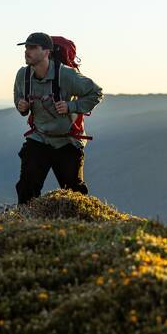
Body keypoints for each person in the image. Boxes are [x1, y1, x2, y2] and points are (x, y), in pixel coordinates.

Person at [13, 32, 103, 205]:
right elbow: (18, 96)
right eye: (26, 47)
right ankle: (25, 226)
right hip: (39, 138)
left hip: (67, 141)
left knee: (74, 194)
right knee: (26, 188)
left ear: (47, 52)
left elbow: (96, 92)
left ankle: (79, 227)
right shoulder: (22, 75)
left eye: (32, 47)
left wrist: (72, 107)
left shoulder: (66, 75)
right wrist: (21, 106)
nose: (27, 51)